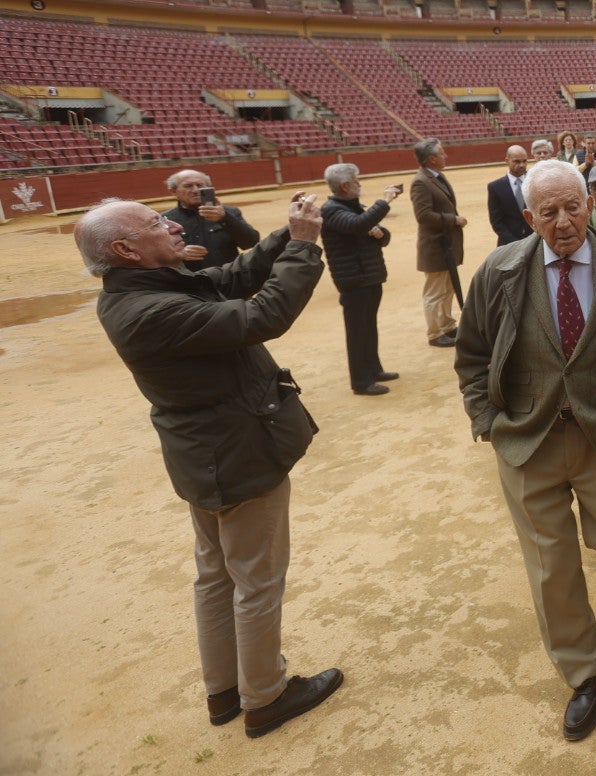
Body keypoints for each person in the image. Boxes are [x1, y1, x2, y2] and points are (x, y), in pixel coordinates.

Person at [75, 193, 343, 738]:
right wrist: (306, 249)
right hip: (237, 453)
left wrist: (286, 237)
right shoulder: (150, 309)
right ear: (126, 249)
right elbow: (263, 313)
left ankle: (224, 690)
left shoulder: (143, 289)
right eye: (156, 223)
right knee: (257, 580)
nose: (173, 224)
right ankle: (265, 695)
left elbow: (229, 277)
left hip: (207, 456)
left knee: (217, 578)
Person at [454, 160, 596, 744]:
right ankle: (589, 672)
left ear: (589, 204)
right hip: (526, 439)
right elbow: (472, 353)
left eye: (573, 206)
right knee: (550, 568)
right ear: (529, 217)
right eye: (548, 211)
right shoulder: (497, 271)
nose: (564, 220)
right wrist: (487, 419)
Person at [321, 163, 403, 396]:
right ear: (345, 185)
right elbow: (358, 226)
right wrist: (385, 201)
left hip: (367, 276)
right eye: (356, 180)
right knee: (357, 330)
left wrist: (381, 233)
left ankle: (373, 369)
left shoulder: (352, 208)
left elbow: (376, 233)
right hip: (353, 279)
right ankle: (361, 380)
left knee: (368, 326)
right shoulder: (331, 210)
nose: (360, 184)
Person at [410, 138, 466, 348]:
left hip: (446, 244)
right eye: (442, 153)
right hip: (435, 246)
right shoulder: (420, 182)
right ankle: (434, 333)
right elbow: (423, 215)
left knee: (448, 287)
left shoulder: (436, 177)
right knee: (434, 291)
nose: (445, 156)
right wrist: (453, 220)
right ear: (432, 159)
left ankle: (447, 325)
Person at [163, 169, 261, 271]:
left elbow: (251, 242)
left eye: (200, 185)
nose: (196, 190)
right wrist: (176, 254)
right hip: (188, 281)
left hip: (227, 279)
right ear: (173, 191)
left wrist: (225, 218)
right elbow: (154, 255)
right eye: (188, 186)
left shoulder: (229, 212)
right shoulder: (166, 219)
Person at [488, 145, 533, 246]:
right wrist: (514, 243)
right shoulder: (495, 187)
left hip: (534, 242)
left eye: (525, 161)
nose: (522, 165)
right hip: (508, 244)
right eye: (517, 161)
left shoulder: (534, 183)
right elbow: (496, 222)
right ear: (507, 160)